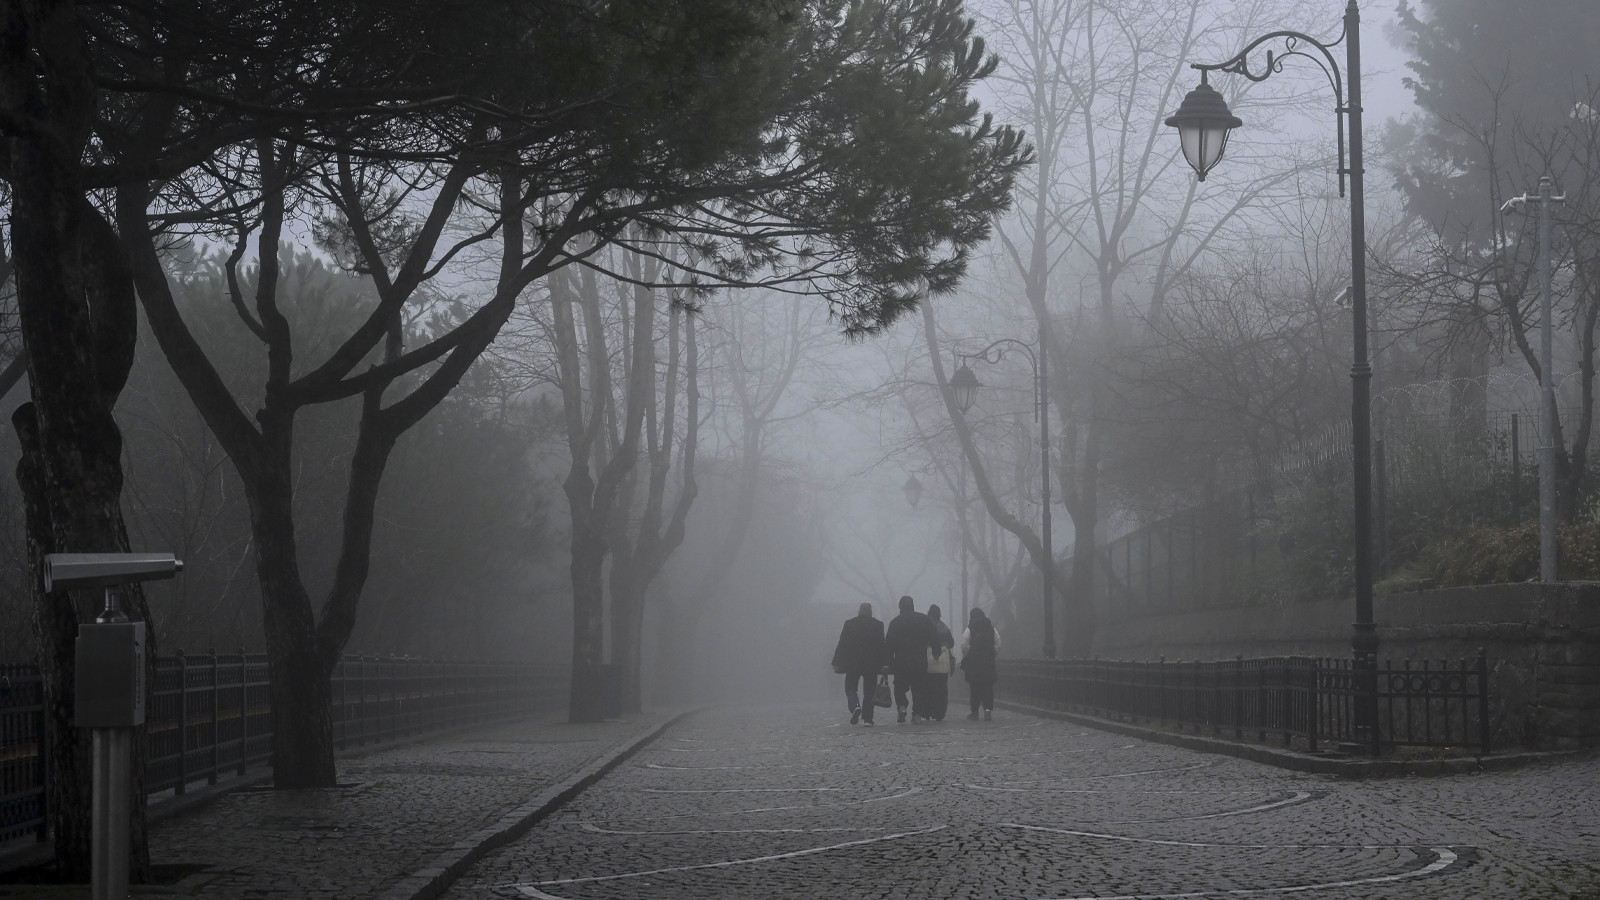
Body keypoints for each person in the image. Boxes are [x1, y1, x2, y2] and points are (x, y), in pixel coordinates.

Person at [884, 594, 938, 723]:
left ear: (900, 607)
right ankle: (917, 714)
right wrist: (936, 652)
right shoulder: (924, 620)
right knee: (919, 687)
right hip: (920, 660)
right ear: (913, 605)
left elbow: (889, 644)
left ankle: (902, 706)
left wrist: (888, 662)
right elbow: (934, 636)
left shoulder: (895, 622)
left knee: (900, 686)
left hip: (901, 660)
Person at [831, 602, 886, 725]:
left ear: (859, 611)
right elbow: (881, 646)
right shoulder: (878, 625)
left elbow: (842, 644)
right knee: (869, 691)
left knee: (850, 687)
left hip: (852, 662)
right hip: (871, 664)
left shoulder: (850, 624)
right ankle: (867, 718)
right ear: (870, 612)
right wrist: (884, 663)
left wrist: (836, 661)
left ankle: (855, 706)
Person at [961, 606, 1001, 721]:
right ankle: (987, 711)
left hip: (974, 663)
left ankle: (974, 712)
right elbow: (998, 643)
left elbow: (964, 644)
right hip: (988, 663)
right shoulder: (991, 628)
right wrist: (992, 654)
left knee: (975, 688)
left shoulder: (970, 628)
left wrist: (970, 654)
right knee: (988, 687)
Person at [923, 604, 957, 721]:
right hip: (942, 660)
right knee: (941, 688)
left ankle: (926, 711)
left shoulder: (925, 626)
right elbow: (951, 643)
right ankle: (939, 712)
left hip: (928, 659)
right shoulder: (944, 627)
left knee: (927, 687)